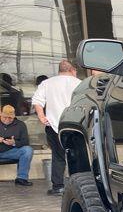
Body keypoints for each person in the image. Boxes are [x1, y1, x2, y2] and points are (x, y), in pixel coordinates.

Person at [32, 59, 80, 196]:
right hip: (75, 125)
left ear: (59, 71)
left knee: (58, 156)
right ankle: (78, 184)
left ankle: (58, 186)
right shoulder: (79, 83)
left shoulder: (47, 83)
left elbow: (37, 101)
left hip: (53, 125)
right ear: (72, 70)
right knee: (77, 155)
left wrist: (41, 116)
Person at [0, 104, 33, 186]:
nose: (7, 119)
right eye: (5, 117)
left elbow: (25, 142)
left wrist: (14, 143)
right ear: (0, 114)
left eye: (10, 118)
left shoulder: (20, 125)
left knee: (27, 150)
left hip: (11, 152)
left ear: (14, 116)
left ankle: (21, 178)